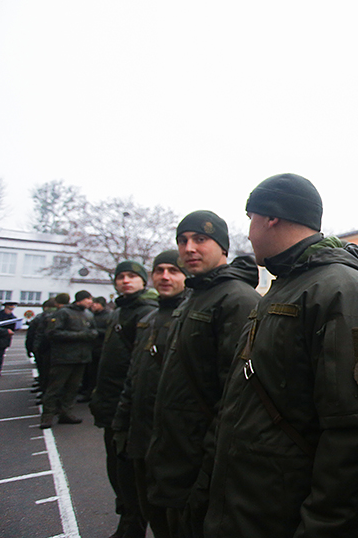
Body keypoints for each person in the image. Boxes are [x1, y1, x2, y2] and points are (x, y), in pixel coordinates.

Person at [204, 174, 358, 537]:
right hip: (252, 508)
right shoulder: (287, 287)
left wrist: (322, 528)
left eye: (250, 218)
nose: (248, 232)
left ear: (270, 216)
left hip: (287, 514)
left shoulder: (343, 290)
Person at [147, 210, 260, 538]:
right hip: (177, 455)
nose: (189, 248)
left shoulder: (236, 299)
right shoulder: (195, 295)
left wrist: (209, 472)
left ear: (223, 247)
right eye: (182, 241)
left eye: (200, 239)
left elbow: (235, 397)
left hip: (203, 462)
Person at [112, 250, 188, 538]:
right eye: (159, 270)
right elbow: (134, 375)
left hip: (173, 441)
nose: (165, 277)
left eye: (173, 270)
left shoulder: (189, 316)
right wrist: (121, 422)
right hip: (140, 434)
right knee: (149, 509)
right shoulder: (149, 318)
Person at [91, 261, 158, 538]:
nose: (126, 281)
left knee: (130, 473)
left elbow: (139, 365)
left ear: (143, 281)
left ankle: (133, 524)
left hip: (127, 405)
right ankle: (127, 519)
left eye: (132, 276)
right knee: (116, 468)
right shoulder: (119, 310)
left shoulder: (147, 312)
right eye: (121, 276)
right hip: (110, 404)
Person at [39, 291, 97, 428]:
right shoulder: (63, 313)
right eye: (88, 299)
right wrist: (80, 335)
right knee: (55, 387)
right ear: (80, 300)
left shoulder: (88, 314)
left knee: (73, 387)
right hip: (64, 357)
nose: (90, 302)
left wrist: (92, 334)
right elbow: (52, 333)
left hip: (81, 357)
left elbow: (93, 330)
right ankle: (47, 416)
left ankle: (66, 413)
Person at [32, 293, 69, 399]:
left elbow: (40, 333)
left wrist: (37, 347)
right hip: (60, 351)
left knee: (48, 374)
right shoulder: (67, 314)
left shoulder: (50, 316)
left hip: (50, 349)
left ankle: (47, 397)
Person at [78, 296, 112, 402]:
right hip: (91, 348)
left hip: (101, 348)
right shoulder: (91, 315)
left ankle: (92, 394)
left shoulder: (108, 316)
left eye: (95, 304)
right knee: (89, 372)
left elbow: (108, 331)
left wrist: (94, 331)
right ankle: (87, 390)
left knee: (96, 373)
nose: (93, 305)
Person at [0, 301, 19, 376]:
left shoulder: (12, 318)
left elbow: (14, 328)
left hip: (3, 341)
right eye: (9, 309)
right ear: (5, 308)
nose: (10, 311)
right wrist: (6, 331)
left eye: (12, 309)